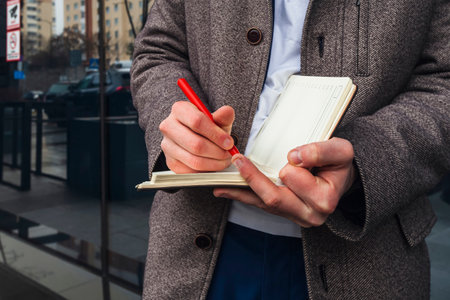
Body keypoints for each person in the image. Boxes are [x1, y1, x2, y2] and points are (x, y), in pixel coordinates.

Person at [131, 0, 450, 299]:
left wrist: (367, 161)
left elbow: (443, 82)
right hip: (192, 247)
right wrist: (176, 120)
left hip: (369, 261)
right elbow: (158, 50)